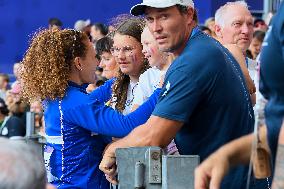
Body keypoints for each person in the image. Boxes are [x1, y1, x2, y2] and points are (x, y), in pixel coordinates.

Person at [99, 1, 260, 188]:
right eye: (150, 19)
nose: (156, 28)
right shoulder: (202, 48)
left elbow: (155, 136)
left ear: (189, 15)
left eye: (164, 17)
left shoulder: (192, 61)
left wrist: (113, 149)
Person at [19, 28, 160, 188]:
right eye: (94, 57)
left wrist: (121, 77)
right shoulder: (75, 103)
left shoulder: (63, 98)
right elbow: (126, 125)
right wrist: (161, 90)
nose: (98, 64)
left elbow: (94, 99)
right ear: (79, 63)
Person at [194, 2, 284, 189]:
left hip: (262, 162)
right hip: (227, 173)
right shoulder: (208, 65)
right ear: (217, 29)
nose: (246, 30)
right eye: (237, 24)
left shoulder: (258, 63)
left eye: (250, 24)